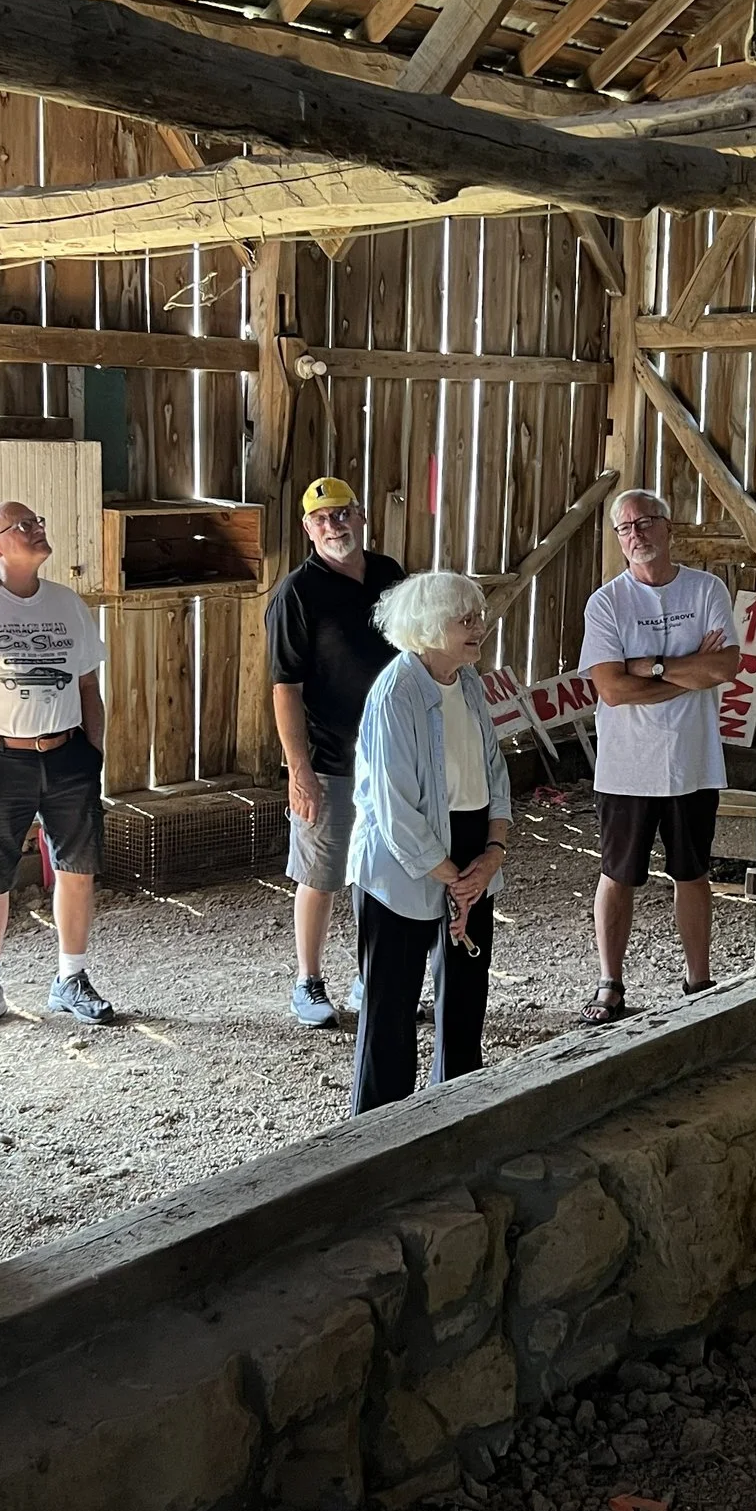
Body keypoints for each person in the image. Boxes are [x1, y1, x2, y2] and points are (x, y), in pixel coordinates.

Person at [0, 500, 118, 1031]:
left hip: (67, 758)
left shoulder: (66, 604)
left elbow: (89, 686)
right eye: (23, 526)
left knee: (77, 871)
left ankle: (71, 979)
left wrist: (91, 753)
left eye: (38, 521)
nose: (38, 530)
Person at [347, 571, 513, 1114]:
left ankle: (457, 1115)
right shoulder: (395, 692)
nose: (478, 628)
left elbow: (494, 772)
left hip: (468, 853)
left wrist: (492, 855)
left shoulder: (468, 683)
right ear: (425, 626)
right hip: (402, 865)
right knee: (390, 1010)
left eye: (478, 617)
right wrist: (453, 877)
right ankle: (374, 1137)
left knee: (465, 1000)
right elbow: (391, 807)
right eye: (464, 618)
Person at [575, 488, 741, 1024]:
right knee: (617, 873)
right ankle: (610, 983)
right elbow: (612, 689)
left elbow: (724, 667)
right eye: (624, 529)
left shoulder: (706, 588)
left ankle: (698, 981)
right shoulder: (607, 602)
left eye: (645, 522)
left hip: (693, 761)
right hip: (627, 765)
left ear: (669, 528)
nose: (636, 535)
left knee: (692, 873)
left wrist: (650, 666)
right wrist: (684, 669)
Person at [268, 476, 407, 1028]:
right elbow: (285, 687)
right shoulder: (296, 593)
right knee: (321, 872)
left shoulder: (390, 574)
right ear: (308, 529)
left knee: (386, 868)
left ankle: (369, 978)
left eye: (342, 513)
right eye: (322, 519)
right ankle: (309, 981)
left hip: (392, 753)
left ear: (362, 514)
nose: (335, 526)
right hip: (329, 759)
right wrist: (298, 769)